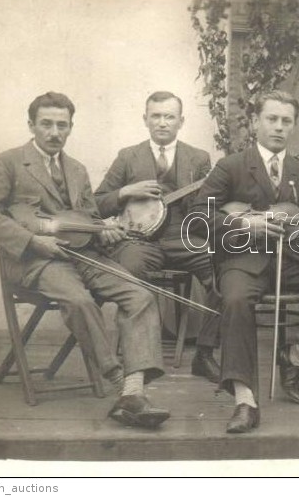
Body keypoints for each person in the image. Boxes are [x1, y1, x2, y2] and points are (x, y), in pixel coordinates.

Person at [0, 92, 170, 428]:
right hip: (36, 260)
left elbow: (89, 218)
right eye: (46, 124)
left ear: (71, 127)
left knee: (140, 295)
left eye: (62, 125)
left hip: (83, 255)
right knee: (78, 300)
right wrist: (32, 240)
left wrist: (102, 232)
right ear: (31, 124)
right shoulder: (9, 162)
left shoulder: (76, 169)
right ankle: (120, 382)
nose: (54, 132)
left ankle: (134, 391)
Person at [189, 90, 299, 434]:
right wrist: (245, 222)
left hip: (294, 259)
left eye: (286, 121)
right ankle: (245, 400)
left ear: (293, 126)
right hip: (244, 259)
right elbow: (198, 217)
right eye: (272, 119)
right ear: (255, 122)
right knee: (237, 300)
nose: (279, 127)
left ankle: (297, 357)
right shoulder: (230, 166)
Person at [94, 91, 220, 384]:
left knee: (223, 269)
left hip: (186, 238)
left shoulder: (199, 158)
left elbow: (210, 207)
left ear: (181, 121)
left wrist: (199, 203)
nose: (162, 123)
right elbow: (97, 201)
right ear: (145, 119)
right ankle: (134, 361)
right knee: (126, 272)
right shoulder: (128, 156)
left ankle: (204, 352)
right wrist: (126, 192)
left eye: (169, 116)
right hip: (139, 241)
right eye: (156, 116)